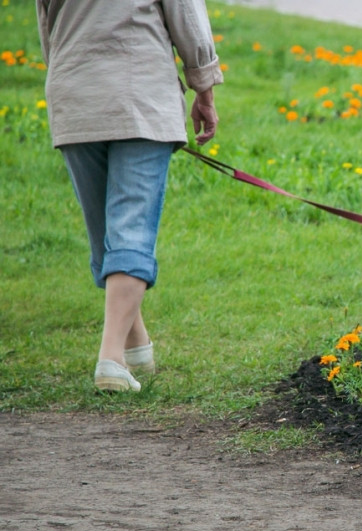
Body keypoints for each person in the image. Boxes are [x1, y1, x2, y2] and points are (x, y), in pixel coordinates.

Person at [36, 0, 223, 392]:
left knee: (107, 234)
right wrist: (203, 85)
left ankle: (136, 348)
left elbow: (46, 21)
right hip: (140, 88)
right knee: (130, 232)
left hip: (73, 90)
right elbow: (185, 12)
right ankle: (111, 359)